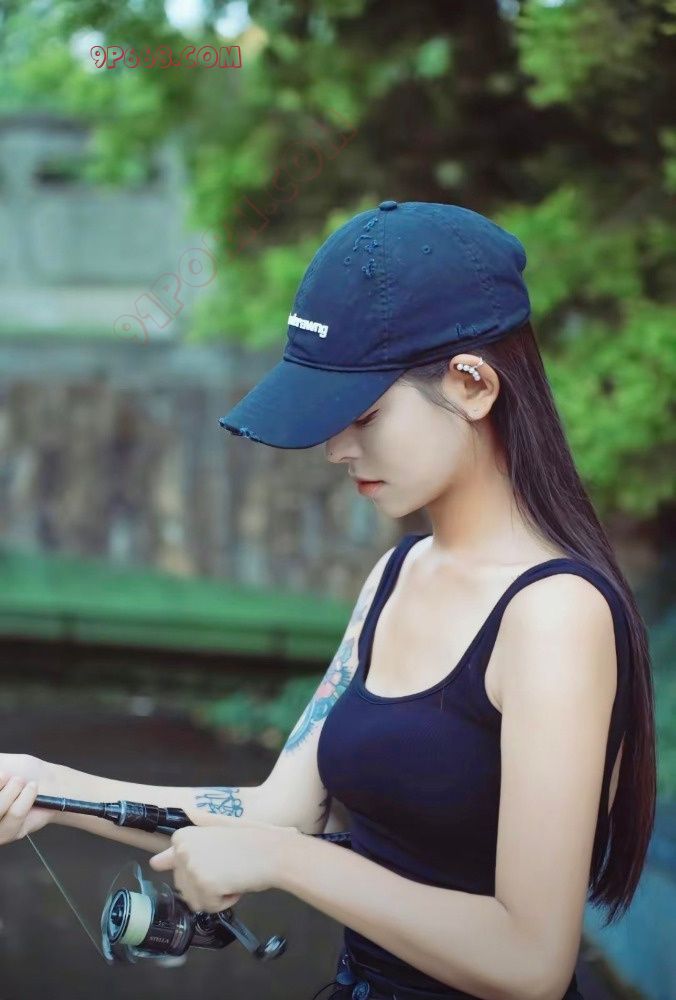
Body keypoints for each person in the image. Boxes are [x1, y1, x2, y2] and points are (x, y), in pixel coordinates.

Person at [0, 200, 656, 1000]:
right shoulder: (396, 575)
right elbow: (279, 813)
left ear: (473, 383)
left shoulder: (556, 614)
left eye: (364, 413)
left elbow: (531, 961)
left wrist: (287, 863)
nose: (338, 447)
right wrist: (49, 789)